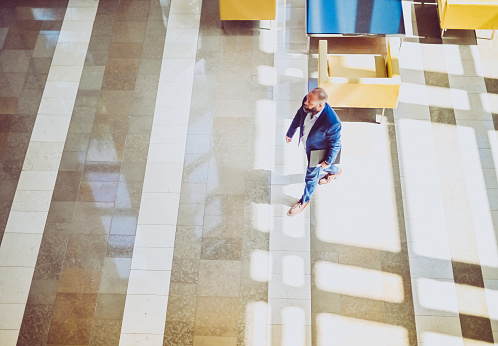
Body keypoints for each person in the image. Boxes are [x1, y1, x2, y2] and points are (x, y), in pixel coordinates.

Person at [285, 87, 342, 216]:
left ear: (320, 105)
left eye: (309, 102)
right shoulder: (307, 102)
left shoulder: (332, 122)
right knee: (328, 168)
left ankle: (304, 201)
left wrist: (328, 160)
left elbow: (335, 144)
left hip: (319, 151)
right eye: (307, 99)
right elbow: (299, 115)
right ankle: (336, 171)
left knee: (311, 177)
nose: (305, 102)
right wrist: (290, 132)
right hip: (309, 145)